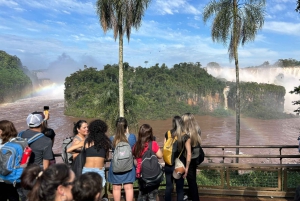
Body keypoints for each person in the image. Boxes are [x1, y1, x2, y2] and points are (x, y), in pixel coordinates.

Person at [69, 119, 111, 200]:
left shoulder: (87, 142)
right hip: (99, 170)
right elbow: (106, 157)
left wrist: (81, 152)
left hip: (87, 170)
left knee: (87, 194)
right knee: (98, 195)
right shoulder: (106, 142)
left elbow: (69, 150)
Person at [108, 117, 136, 201]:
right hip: (129, 165)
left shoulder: (112, 139)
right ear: (126, 127)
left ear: (116, 127)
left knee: (116, 188)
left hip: (116, 166)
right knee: (129, 187)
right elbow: (134, 150)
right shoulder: (131, 137)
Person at [164, 116, 191, 201]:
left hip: (168, 164)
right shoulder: (185, 136)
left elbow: (165, 149)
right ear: (182, 124)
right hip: (179, 165)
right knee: (179, 189)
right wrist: (186, 168)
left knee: (168, 187)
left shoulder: (167, 134)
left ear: (173, 124)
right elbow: (189, 154)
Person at [132, 124, 163, 201]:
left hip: (141, 173)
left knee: (142, 194)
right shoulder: (153, 144)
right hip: (153, 174)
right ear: (150, 134)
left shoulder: (136, 146)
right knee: (152, 195)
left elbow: (135, 156)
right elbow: (160, 156)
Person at [182, 113, 202, 201]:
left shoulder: (185, 132)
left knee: (191, 181)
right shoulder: (197, 129)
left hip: (188, 158)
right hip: (197, 157)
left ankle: (193, 197)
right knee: (192, 179)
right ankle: (190, 195)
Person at [0, 120, 20, 201]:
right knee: (14, 197)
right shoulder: (18, 141)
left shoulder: (1, 144)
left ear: (1, 131)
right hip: (15, 177)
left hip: (1, 178)